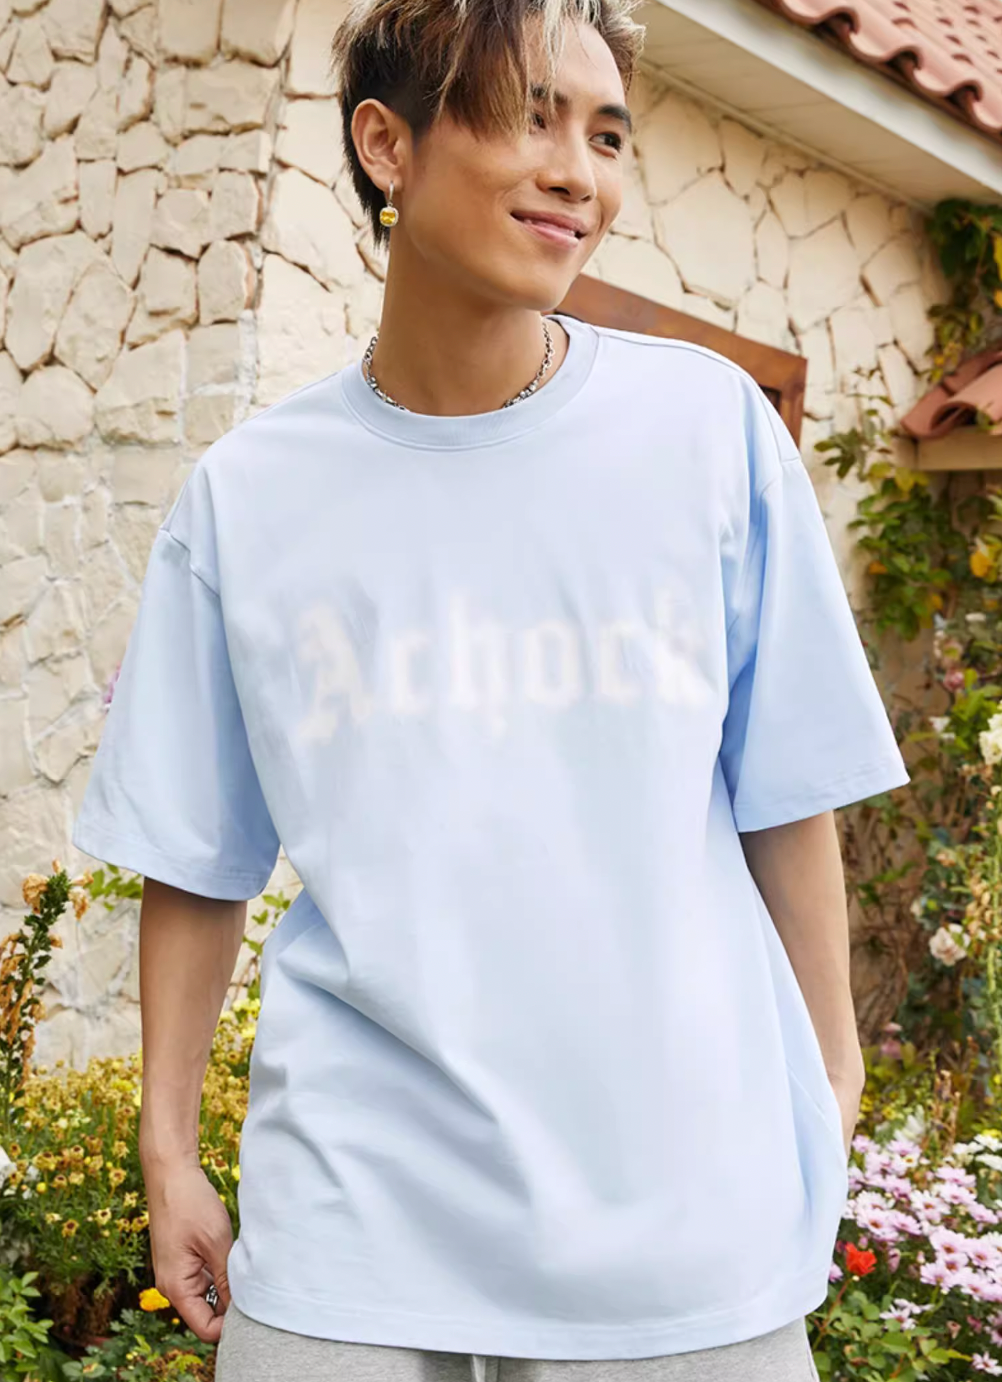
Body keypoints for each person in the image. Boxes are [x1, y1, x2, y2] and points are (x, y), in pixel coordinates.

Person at [70, 0, 910, 1377]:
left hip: (676, 1243)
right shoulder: (251, 497)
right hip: (350, 1239)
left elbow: (787, 792)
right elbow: (198, 858)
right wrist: (169, 1151)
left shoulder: (706, 434)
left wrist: (831, 1075)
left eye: (607, 135)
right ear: (385, 144)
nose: (578, 172)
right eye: (530, 116)